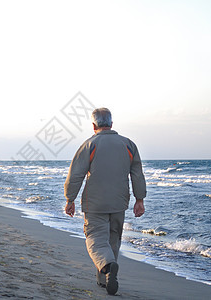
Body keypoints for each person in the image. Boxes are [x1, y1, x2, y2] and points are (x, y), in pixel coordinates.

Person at [64, 108, 147, 296]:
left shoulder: (89, 145)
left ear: (93, 125)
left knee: (95, 238)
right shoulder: (129, 145)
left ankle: (108, 268)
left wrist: (70, 199)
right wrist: (139, 199)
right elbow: (137, 175)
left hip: (95, 203)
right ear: (111, 123)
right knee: (113, 239)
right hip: (119, 202)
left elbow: (75, 175)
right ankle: (104, 279)